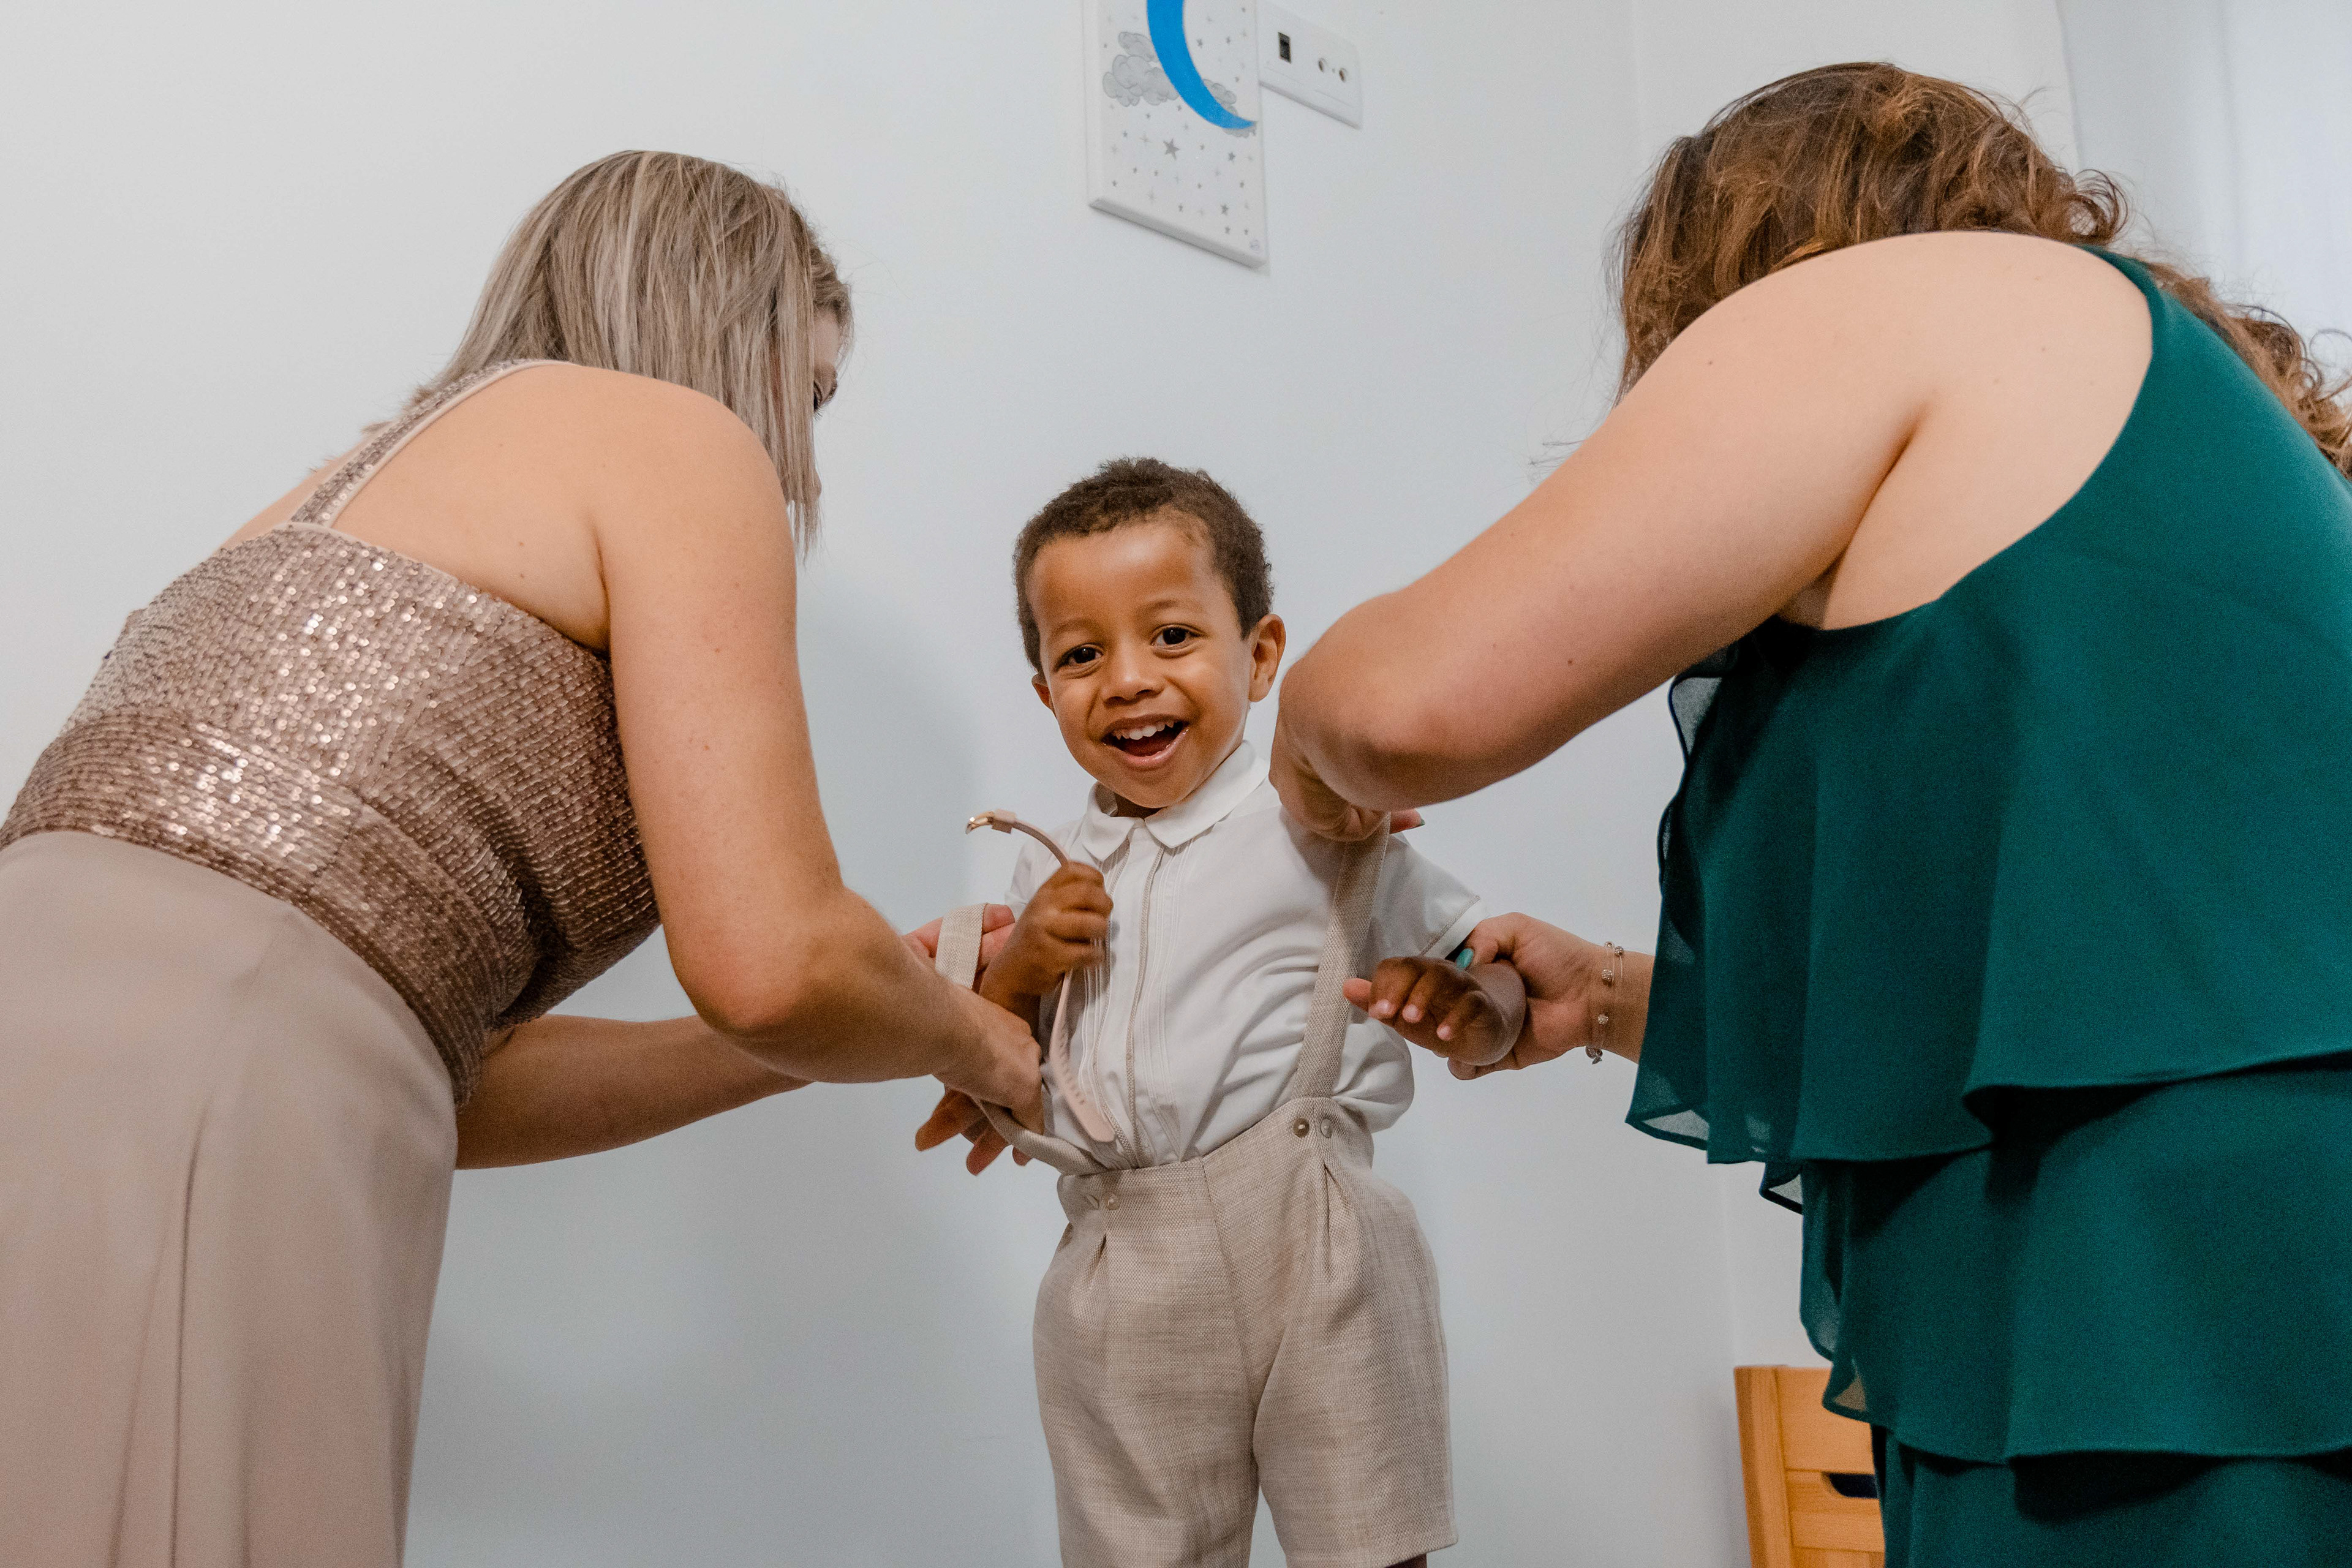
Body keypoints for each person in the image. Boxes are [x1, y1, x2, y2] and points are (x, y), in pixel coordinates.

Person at [1270, 62, 2352, 1567]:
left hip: (2165, 1303)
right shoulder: (2160, 449)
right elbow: (2067, 981)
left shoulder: (1905, 294)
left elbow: (1404, 708)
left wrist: (1299, 741)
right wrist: (1609, 998)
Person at [0, 151, 1042, 1567]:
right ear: (732, 333)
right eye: (809, 393)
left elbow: (435, 1067)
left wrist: (857, 1020)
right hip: (220, 1068)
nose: (803, 452)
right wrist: (987, 1047)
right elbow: (773, 958)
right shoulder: (677, 442)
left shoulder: (320, 502)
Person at [910, 458, 1525, 1568]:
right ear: (1044, 692)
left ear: (1263, 655)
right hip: (1122, 1243)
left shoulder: (1324, 820)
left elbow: (1490, 963)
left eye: (1173, 636)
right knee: (1137, 1542)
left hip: (1314, 1228)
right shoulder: (1046, 869)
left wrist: (1478, 1009)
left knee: (1368, 1534)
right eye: (1082, 655)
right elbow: (999, 1057)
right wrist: (1019, 968)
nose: (1127, 680)